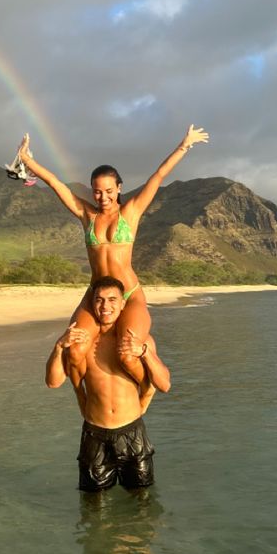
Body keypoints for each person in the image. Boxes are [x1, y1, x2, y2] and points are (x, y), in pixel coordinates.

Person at [18, 123, 208, 384]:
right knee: (74, 349)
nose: (103, 197)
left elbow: (158, 176)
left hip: (129, 295)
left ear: (119, 187)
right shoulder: (87, 215)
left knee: (128, 355)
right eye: (97, 191)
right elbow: (55, 183)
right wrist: (27, 159)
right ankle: (86, 401)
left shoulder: (130, 213)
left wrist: (184, 145)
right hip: (96, 294)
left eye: (109, 190)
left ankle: (145, 391)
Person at [46, 276, 171, 491]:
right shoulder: (82, 343)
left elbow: (165, 384)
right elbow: (53, 382)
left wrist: (144, 353)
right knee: (93, 504)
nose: (105, 306)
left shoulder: (137, 341)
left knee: (142, 500)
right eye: (99, 300)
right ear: (92, 303)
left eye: (112, 300)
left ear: (123, 304)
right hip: (95, 433)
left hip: (132, 432)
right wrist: (58, 347)